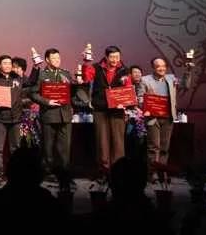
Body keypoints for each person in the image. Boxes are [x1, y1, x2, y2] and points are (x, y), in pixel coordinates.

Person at [140, 57, 193, 182]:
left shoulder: (171, 78)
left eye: (163, 66)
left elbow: (185, 85)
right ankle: (152, 174)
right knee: (153, 147)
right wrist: (147, 102)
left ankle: (162, 172)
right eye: (158, 66)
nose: (161, 68)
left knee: (164, 148)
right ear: (153, 67)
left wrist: (188, 71)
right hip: (153, 118)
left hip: (168, 117)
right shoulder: (145, 80)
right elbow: (140, 98)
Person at [83, 45, 131, 174]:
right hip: (100, 109)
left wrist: (125, 103)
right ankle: (103, 172)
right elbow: (86, 78)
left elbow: (128, 88)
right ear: (106, 57)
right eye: (112, 57)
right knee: (102, 142)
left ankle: (118, 172)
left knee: (118, 142)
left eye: (117, 57)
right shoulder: (96, 68)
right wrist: (86, 63)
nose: (115, 60)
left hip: (117, 111)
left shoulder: (124, 70)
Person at [29, 48, 77, 179]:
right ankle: (48, 173)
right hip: (49, 115)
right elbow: (33, 93)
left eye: (58, 58)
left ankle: (64, 173)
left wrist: (77, 84)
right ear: (47, 60)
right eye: (54, 58)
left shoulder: (66, 74)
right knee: (48, 146)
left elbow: (72, 93)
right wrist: (47, 102)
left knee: (65, 147)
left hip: (65, 115)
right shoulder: (41, 75)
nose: (57, 60)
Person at [0, 55, 23, 178]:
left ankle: (15, 174)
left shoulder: (17, 77)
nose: (8, 65)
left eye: (9, 63)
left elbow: (32, 82)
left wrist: (36, 67)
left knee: (16, 149)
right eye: (5, 63)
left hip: (16, 119)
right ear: (0, 65)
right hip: (0, 119)